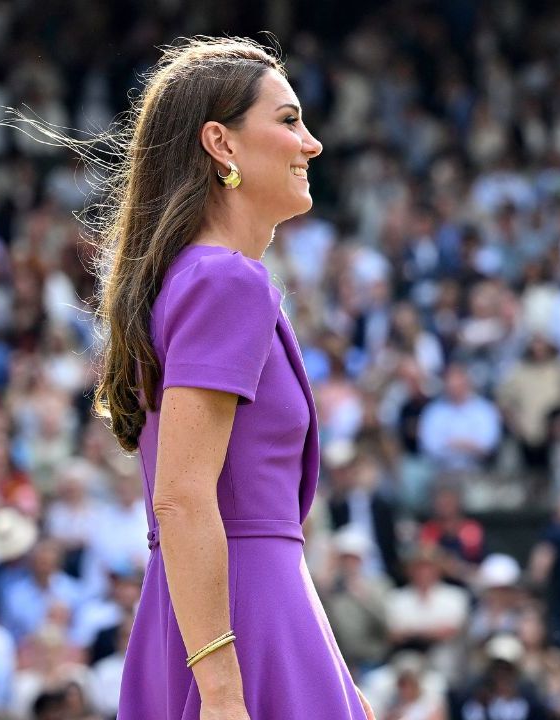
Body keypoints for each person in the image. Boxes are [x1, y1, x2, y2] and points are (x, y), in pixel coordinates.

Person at [52, 37, 371, 720]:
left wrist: (332, 673)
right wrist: (224, 691)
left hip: (215, 616)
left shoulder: (195, 278)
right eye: (287, 121)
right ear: (221, 144)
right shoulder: (225, 280)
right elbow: (184, 496)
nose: (311, 144)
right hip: (239, 627)